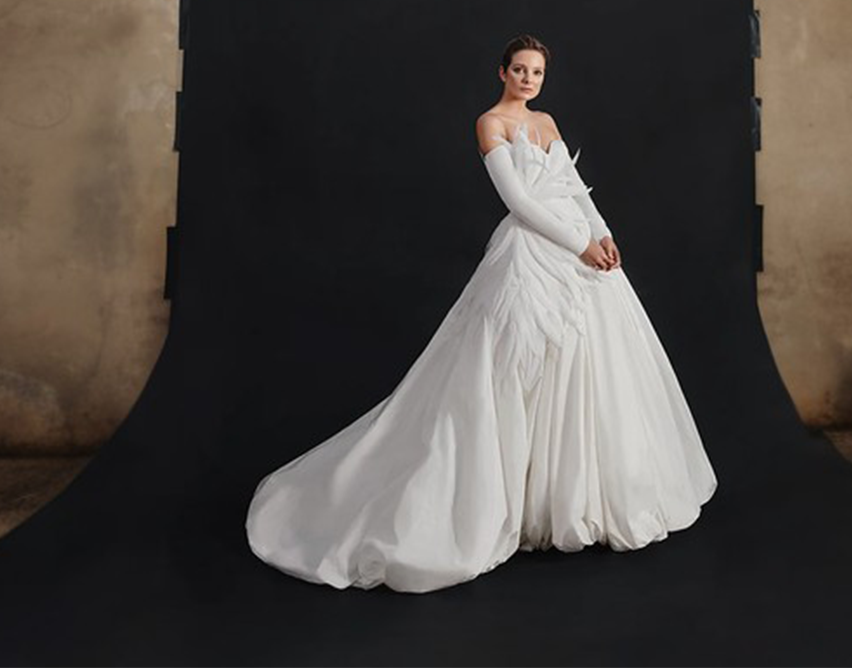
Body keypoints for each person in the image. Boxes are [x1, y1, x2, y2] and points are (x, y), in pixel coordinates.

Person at [246, 33, 717, 593]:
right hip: (533, 253)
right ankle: (507, 500)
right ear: (502, 72)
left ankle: (574, 499)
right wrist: (577, 243)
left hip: (579, 252)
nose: (528, 79)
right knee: (511, 368)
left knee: (589, 367)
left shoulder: (548, 122)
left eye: (536, 72)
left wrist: (603, 232)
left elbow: (573, 187)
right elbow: (519, 201)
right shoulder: (489, 123)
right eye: (519, 70)